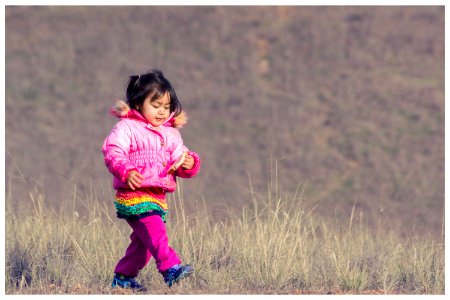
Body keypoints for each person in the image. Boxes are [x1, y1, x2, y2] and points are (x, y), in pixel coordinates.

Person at [101, 69, 201, 291]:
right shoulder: (127, 128)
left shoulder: (171, 134)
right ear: (138, 104)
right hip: (133, 195)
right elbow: (113, 151)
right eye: (155, 106)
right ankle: (170, 268)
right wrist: (126, 170)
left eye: (166, 107)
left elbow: (180, 157)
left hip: (157, 197)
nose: (162, 112)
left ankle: (123, 278)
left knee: (143, 244)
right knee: (156, 234)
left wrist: (189, 163)